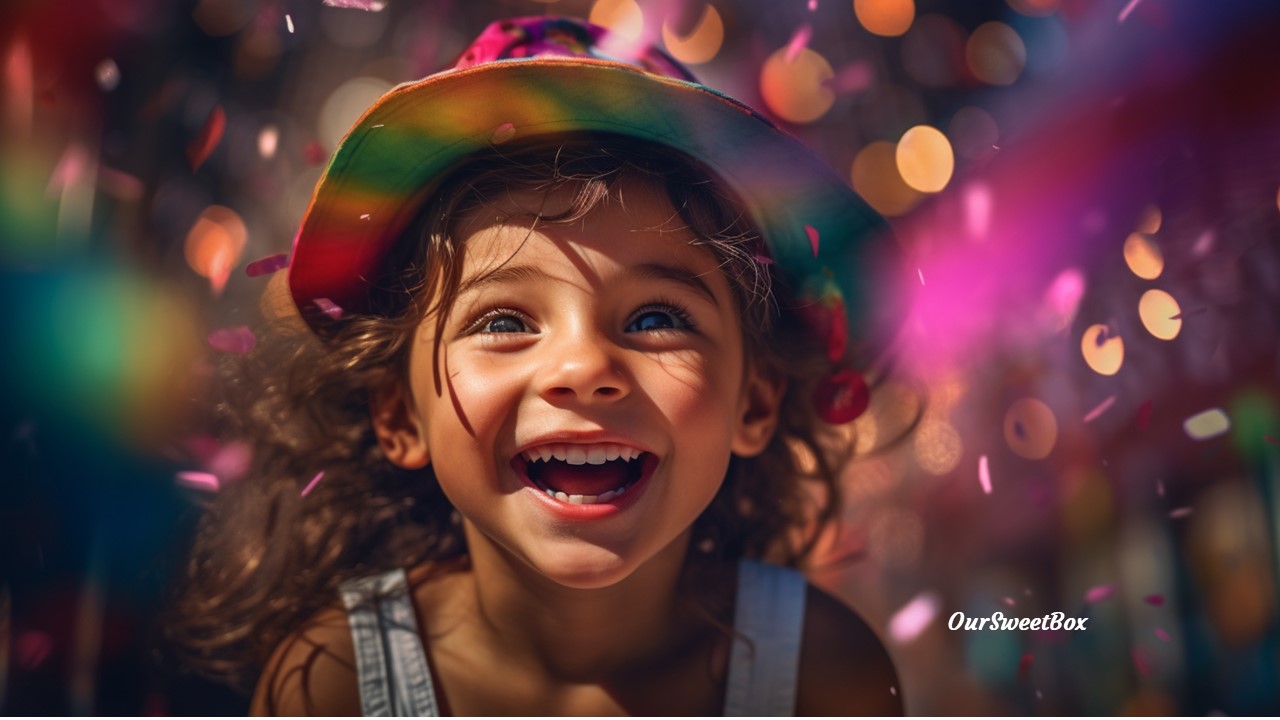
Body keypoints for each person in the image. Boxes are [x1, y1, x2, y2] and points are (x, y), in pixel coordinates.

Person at [168, 15, 906, 716]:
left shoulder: (822, 677)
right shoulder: (333, 685)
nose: (583, 367)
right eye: (504, 321)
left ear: (754, 402)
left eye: (656, 318)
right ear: (397, 413)